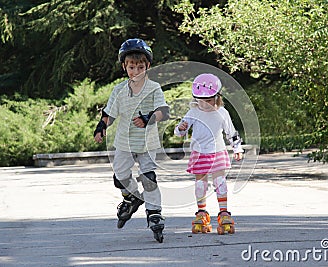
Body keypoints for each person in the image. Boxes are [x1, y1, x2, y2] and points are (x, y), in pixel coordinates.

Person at [93, 38, 169, 243]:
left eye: (140, 67)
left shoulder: (153, 88)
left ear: (148, 67)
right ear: (124, 67)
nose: (136, 71)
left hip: (147, 143)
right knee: (120, 177)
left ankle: (154, 212)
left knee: (148, 177)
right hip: (124, 142)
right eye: (132, 67)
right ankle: (131, 197)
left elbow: (164, 112)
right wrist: (101, 127)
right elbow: (109, 114)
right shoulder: (119, 90)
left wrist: (148, 118)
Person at [174, 73, 243, 235]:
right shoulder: (193, 112)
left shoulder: (223, 113)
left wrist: (237, 148)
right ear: (195, 99)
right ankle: (202, 213)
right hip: (199, 154)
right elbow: (179, 132)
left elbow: (231, 132)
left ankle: (224, 213)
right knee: (200, 184)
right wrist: (181, 128)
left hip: (218, 151)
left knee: (220, 182)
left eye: (209, 100)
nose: (205, 104)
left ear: (217, 97)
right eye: (201, 100)